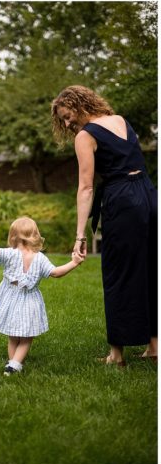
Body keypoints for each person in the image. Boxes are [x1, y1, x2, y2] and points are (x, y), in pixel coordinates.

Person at [51, 85, 158, 366]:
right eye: (62, 120)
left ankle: (117, 354)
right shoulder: (121, 120)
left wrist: (79, 236)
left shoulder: (85, 136)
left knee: (117, 274)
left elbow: (86, 188)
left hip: (122, 200)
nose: (67, 123)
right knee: (150, 269)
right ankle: (154, 346)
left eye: (67, 115)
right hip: (149, 195)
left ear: (80, 104)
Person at [0, 218, 84, 375]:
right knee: (26, 337)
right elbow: (56, 273)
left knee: (13, 335)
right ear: (35, 235)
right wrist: (74, 263)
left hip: (9, 299)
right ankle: (14, 364)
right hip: (30, 301)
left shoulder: (10, 254)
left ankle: (13, 364)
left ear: (13, 236)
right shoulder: (40, 258)